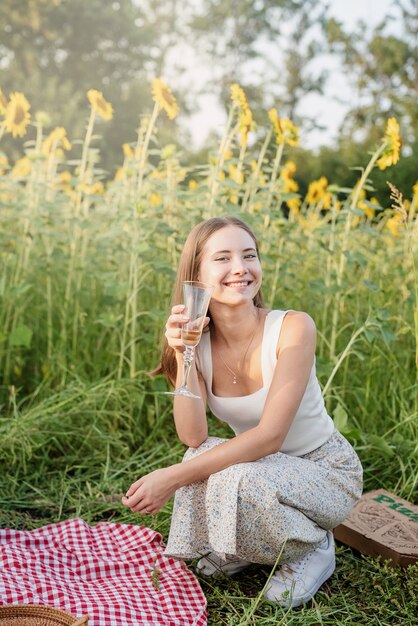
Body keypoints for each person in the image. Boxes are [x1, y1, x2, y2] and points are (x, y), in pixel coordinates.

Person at [122, 215, 363, 608]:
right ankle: (242, 546)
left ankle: (312, 547)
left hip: (326, 470)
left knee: (239, 476)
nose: (241, 268)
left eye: (249, 255)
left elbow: (270, 437)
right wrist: (183, 353)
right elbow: (192, 436)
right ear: (197, 274)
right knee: (202, 457)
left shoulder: (293, 328)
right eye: (223, 258)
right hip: (264, 468)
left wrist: (170, 478)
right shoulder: (196, 344)